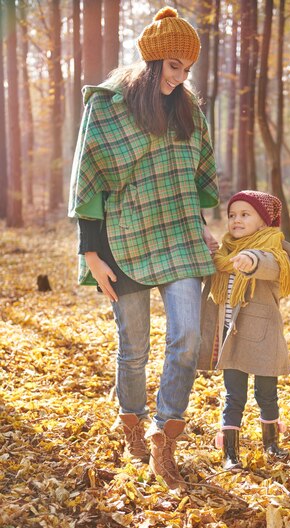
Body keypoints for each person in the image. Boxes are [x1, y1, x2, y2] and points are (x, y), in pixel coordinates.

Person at [68, 6, 219, 490]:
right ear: (153, 61)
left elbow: (187, 180)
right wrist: (90, 252)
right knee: (133, 348)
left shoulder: (188, 110)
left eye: (187, 68)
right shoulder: (109, 106)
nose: (180, 77)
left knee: (188, 336)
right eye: (174, 66)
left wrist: (202, 226)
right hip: (122, 237)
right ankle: (131, 423)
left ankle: (164, 436)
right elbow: (89, 180)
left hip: (177, 234)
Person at [198, 190, 290, 469]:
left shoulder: (274, 251)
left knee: (266, 393)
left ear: (264, 222)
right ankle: (230, 452)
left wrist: (252, 260)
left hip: (262, 336)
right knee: (234, 396)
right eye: (232, 215)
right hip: (231, 337)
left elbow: (270, 266)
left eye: (245, 215)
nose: (236, 220)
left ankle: (272, 444)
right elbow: (210, 276)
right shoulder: (224, 253)